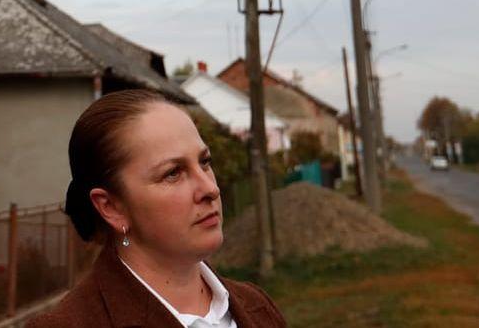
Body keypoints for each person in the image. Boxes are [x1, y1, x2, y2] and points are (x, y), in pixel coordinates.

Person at [29, 90, 286, 328]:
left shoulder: (256, 307)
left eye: (205, 162)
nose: (210, 189)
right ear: (112, 207)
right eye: (173, 173)